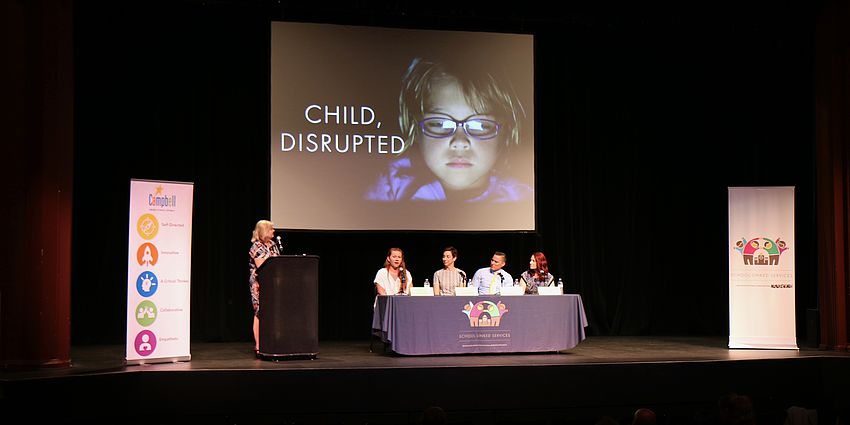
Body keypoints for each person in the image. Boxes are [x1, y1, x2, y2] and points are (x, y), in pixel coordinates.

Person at [365, 55, 531, 202]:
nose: (459, 142)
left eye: (480, 125)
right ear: (415, 128)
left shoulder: (523, 200)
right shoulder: (389, 188)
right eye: (440, 124)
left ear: (507, 132)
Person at [248, 220, 280, 356]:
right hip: (259, 283)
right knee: (259, 312)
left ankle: (272, 343)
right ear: (264, 230)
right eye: (271, 229)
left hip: (273, 282)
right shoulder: (256, 247)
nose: (274, 231)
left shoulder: (273, 245)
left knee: (273, 312)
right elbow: (262, 267)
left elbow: (278, 262)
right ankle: (258, 345)